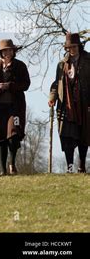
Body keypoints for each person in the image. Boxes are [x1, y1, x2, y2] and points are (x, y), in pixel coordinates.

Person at [49, 32, 90, 173]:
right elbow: (56, 83)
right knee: (67, 137)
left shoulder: (88, 60)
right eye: (69, 47)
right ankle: (69, 167)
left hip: (85, 104)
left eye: (74, 46)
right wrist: (52, 97)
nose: (72, 49)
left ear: (79, 46)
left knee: (83, 137)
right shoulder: (62, 64)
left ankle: (82, 166)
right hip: (66, 105)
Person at [0, 39, 30, 175]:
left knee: (13, 135)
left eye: (10, 50)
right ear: (1, 53)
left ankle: (12, 163)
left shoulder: (20, 66)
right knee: (1, 138)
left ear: (13, 51)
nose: (7, 53)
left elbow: (26, 84)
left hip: (15, 107)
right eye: (5, 50)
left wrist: (10, 86)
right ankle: (2, 170)